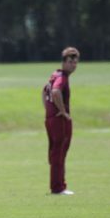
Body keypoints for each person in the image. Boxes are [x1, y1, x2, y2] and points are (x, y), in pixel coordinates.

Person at [43, 47, 80, 195]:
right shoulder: (62, 77)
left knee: (55, 153)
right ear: (64, 62)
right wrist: (63, 111)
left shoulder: (54, 75)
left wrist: (48, 110)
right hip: (59, 120)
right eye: (70, 61)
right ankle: (58, 187)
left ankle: (57, 185)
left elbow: (44, 91)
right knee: (59, 153)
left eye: (75, 62)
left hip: (50, 119)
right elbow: (55, 91)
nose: (73, 65)